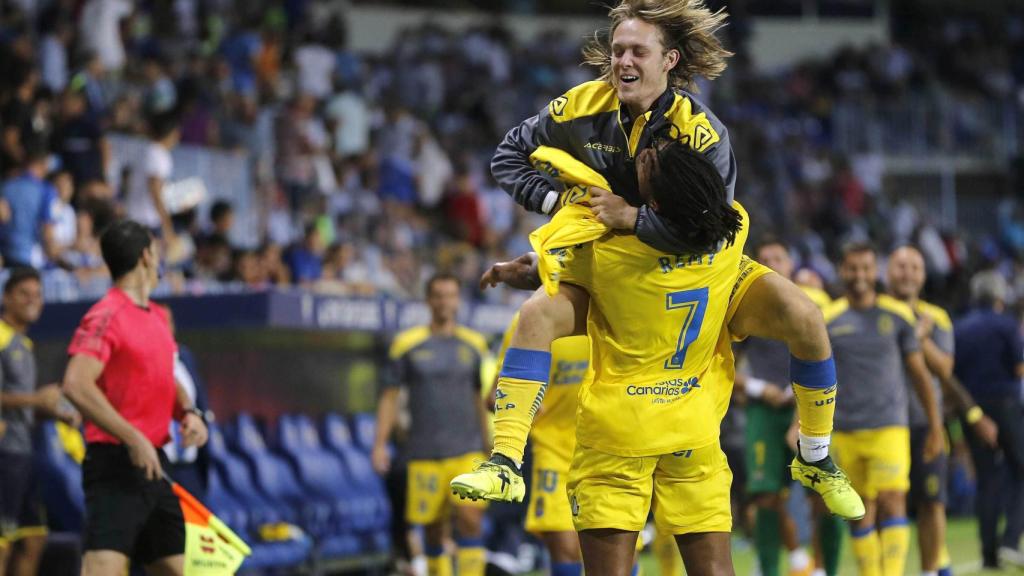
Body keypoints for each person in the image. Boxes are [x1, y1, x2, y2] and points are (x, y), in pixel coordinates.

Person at [483, 0, 853, 518]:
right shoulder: (580, 106)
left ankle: (814, 456)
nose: (623, 61)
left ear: (670, 60)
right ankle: (503, 462)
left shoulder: (702, 134)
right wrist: (556, 203)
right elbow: (507, 154)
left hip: (698, 268)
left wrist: (631, 218)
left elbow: (707, 230)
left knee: (805, 315)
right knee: (534, 316)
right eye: (617, 51)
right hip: (615, 267)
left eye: (638, 50)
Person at [457, 141, 860, 575]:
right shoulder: (733, 229)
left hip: (619, 430)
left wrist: (541, 262)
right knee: (806, 317)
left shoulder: (608, 251)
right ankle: (816, 452)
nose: (647, 151)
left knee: (535, 314)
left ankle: (505, 460)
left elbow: (558, 268)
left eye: (652, 163)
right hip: (692, 426)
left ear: (652, 202)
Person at [61, 220, 209, 576]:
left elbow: (165, 377)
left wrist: (188, 411)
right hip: (115, 463)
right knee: (102, 569)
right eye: (157, 251)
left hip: (154, 466)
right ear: (146, 256)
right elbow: (76, 384)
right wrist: (132, 436)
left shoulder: (158, 317)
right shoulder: (105, 315)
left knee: (185, 571)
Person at [824, 243, 944, 576]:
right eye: (852, 268)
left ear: (875, 271)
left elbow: (920, 375)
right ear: (842, 271)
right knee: (859, 510)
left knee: (893, 499)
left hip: (890, 427)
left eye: (865, 268)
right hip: (846, 430)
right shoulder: (828, 320)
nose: (859, 276)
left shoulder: (897, 317)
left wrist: (935, 426)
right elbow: (814, 376)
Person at [886, 246, 999, 576]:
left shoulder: (936, 318)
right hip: (882, 422)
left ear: (923, 275)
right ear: (887, 271)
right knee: (883, 503)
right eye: (901, 266)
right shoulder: (875, 312)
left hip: (924, 421)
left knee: (932, 502)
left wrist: (918, 338)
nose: (907, 273)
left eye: (915, 267)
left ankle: (931, 571)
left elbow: (945, 367)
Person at [735, 240, 843, 576]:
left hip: (811, 408)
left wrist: (799, 414)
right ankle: (769, 569)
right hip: (763, 413)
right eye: (763, 259)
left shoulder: (812, 304)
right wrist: (759, 388)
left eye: (777, 258)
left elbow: (834, 360)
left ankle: (825, 570)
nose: (770, 264)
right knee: (766, 496)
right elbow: (723, 365)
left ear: (791, 265)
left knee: (822, 495)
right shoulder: (744, 306)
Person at [373, 274, 492, 576]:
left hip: (467, 450)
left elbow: (480, 397)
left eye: (450, 295)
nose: (444, 302)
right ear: (428, 300)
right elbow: (389, 397)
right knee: (433, 531)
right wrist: (379, 445)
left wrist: (490, 440)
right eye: (438, 295)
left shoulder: (474, 344)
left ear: (457, 300)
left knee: (470, 518)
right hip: (424, 452)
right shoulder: (406, 344)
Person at [495, 313, 590, 576]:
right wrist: (524, 408)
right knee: (565, 545)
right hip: (552, 451)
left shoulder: (610, 308)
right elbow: (494, 395)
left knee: (617, 551)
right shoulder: (529, 319)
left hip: (606, 446)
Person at [0, 267, 80, 576]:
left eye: (38, 294)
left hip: (23, 454)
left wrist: (54, 411)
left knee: (34, 539)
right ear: (6, 297)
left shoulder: (24, 344)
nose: (33, 301)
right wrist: (38, 399)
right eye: (24, 294)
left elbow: (22, 407)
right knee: (3, 542)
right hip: (4, 455)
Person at [952, 270, 1024, 569]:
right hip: (1005, 406)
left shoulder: (960, 327)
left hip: (971, 408)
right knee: (1021, 471)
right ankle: (1010, 541)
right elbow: (1019, 367)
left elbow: (952, 371)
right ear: (998, 296)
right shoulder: (1006, 325)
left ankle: (989, 556)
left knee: (986, 480)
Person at [0, 148, 62, 269]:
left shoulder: (5, 186)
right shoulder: (46, 190)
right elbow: (47, 231)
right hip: (31, 260)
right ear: (42, 164)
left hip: (4, 256)